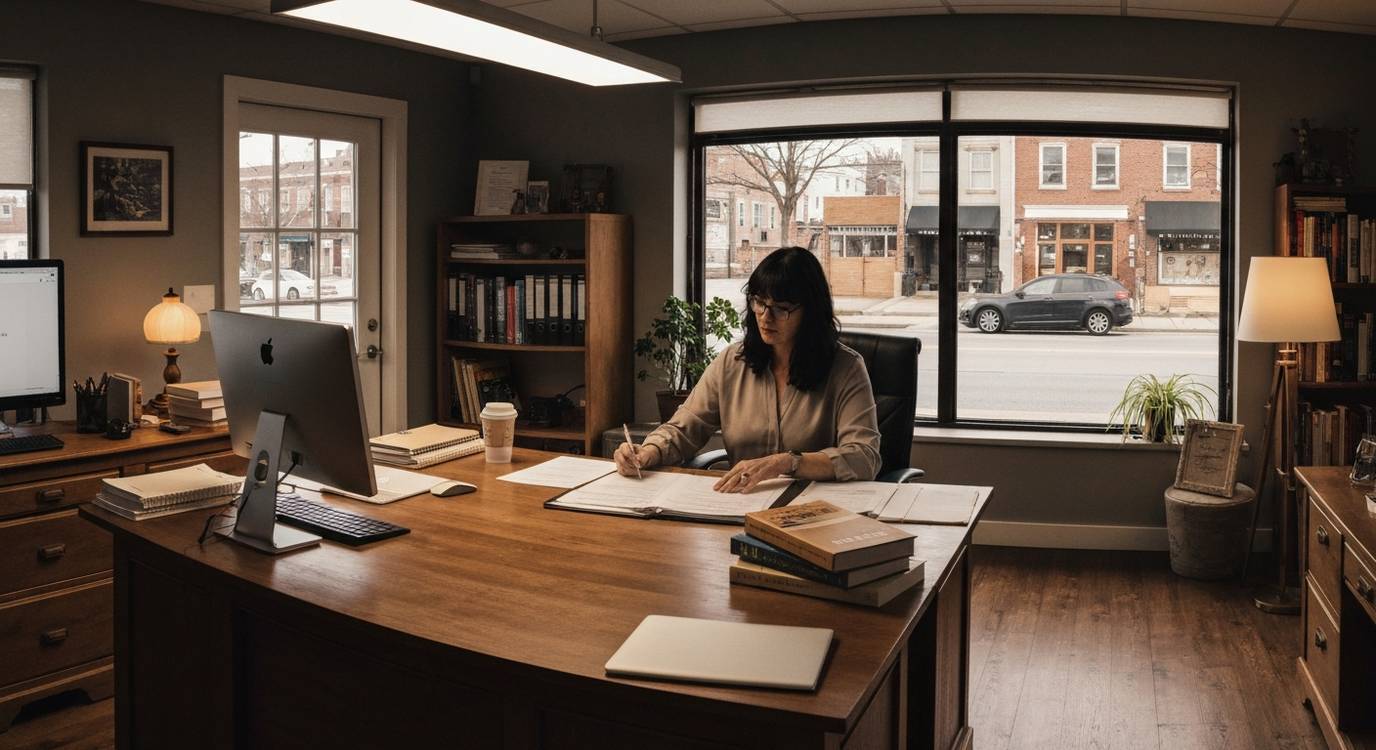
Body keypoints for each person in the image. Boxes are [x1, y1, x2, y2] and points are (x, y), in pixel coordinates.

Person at [614, 246, 881, 493]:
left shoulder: (846, 368)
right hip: (743, 503)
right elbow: (684, 429)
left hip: (816, 510)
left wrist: (787, 462)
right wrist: (647, 451)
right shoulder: (732, 362)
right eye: (760, 302)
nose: (766, 316)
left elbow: (863, 456)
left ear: (810, 312)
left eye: (782, 308)